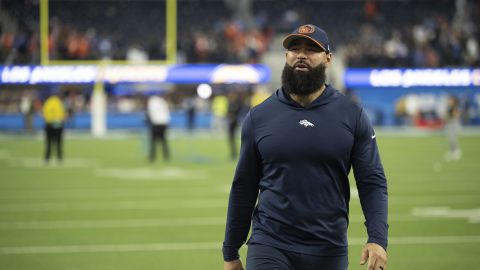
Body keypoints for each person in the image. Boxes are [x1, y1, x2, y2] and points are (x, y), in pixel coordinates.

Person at [223, 24, 388, 270]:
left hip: (328, 248)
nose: (301, 54)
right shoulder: (259, 116)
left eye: (311, 49)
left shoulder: (352, 115)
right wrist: (231, 251)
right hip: (270, 243)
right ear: (286, 57)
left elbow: (372, 180)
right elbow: (244, 185)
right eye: (294, 49)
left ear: (328, 59)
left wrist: (377, 238)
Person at [42, 94, 66, 164]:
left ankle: (47, 157)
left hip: (49, 124)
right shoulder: (59, 102)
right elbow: (62, 113)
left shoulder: (47, 102)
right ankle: (59, 157)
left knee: (48, 142)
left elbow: (44, 112)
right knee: (59, 142)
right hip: (58, 124)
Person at [147, 94, 170, 162]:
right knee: (163, 140)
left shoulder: (152, 102)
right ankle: (166, 156)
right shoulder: (163, 102)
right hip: (163, 123)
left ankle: (152, 156)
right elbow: (167, 113)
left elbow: (150, 113)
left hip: (155, 123)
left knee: (153, 141)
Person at [444, 94, 461, 161]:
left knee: (453, 138)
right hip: (450, 123)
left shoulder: (454, 107)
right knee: (450, 138)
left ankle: (456, 151)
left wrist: (450, 117)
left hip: (453, 123)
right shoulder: (450, 107)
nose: (449, 101)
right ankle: (452, 151)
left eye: (450, 100)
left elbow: (456, 115)